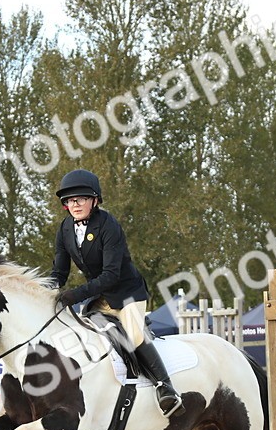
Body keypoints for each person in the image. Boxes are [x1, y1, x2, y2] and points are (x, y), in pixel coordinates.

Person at [50, 169, 183, 416]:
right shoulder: (65, 229)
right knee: (85, 332)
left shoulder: (108, 225)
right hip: (101, 297)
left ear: (94, 200)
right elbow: (59, 272)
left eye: (80, 198)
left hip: (128, 293)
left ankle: (166, 388)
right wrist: (46, 291)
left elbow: (110, 275)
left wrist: (75, 295)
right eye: (70, 200)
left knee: (133, 334)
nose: (75, 204)